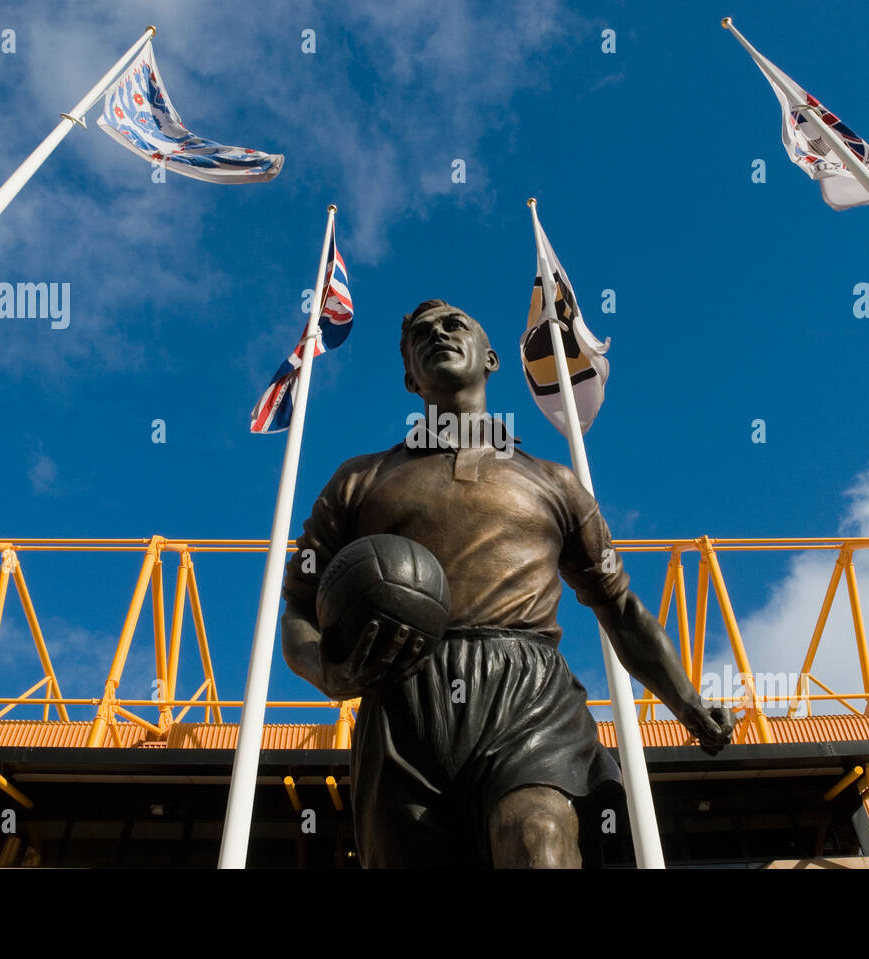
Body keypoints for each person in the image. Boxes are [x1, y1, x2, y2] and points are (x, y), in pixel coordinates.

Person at [280, 299, 733, 868]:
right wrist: (325, 667)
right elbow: (298, 606)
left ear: (490, 358)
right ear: (408, 377)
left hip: (525, 693)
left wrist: (687, 704)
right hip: (402, 700)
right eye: (421, 335)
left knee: (536, 836)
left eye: (454, 325)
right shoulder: (360, 479)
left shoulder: (554, 482)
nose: (437, 335)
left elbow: (619, 608)